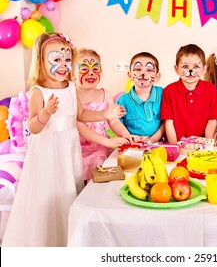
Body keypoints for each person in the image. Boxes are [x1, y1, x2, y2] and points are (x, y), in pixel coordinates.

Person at [2, 33, 124, 247]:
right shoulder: (38, 92)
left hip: (67, 149)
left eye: (67, 59)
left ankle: (65, 240)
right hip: (46, 151)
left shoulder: (70, 88)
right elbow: (33, 128)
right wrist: (45, 114)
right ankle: (44, 240)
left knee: (66, 192)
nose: (63, 65)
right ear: (41, 61)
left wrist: (105, 115)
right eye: (56, 59)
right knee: (47, 193)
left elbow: (81, 115)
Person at [75, 48, 134, 182]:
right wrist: (107, 142)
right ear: (72, 73)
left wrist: (125, 135)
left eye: (95, 69)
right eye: (84, 69)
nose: (91, 73)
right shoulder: (72, 95)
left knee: (103, 163)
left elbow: (114, 121)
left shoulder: (105, 95)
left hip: (101, 147)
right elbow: (81, 128)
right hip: (78, 148)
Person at [161, 44, 217, 144]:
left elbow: (212, 120)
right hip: (176, 143)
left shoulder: (211, 90)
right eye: (185, 66)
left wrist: (207, 145)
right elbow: (168, 122)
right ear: (176, 69)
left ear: (204, 69)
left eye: (196, 66)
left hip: (202, 144)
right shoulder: (169, 91)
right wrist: (174, 146)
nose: (191, 71)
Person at [116, 52, 164, 143]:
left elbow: (167, 121)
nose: (142, 73)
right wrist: (127, 136)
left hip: (159, 141)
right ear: (129, 75)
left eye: (149, 70)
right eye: (138, 69)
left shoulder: (162, 94)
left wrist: (152, 140)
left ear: (157, 77)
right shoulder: (123, 100)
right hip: (134, 144)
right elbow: (116, 122)